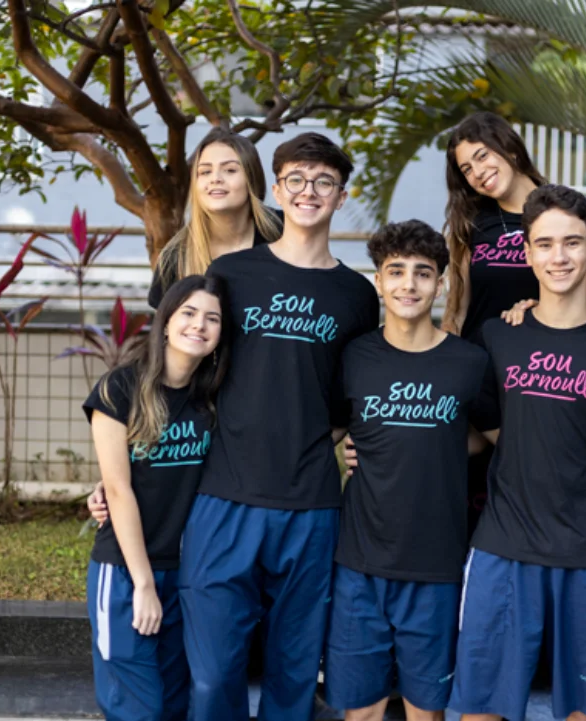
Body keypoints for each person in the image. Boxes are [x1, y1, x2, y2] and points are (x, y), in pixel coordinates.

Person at [177, 132, 379, 721]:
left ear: (341, 196)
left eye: (323, 182)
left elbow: (350, 398)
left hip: (310, 504)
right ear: (278, 190)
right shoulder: (230, 274)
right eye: (296, 179)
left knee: (293, 673)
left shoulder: (357, 295)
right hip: (225, 496)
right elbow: (183, 374)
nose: (308, 191)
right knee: (213, 674)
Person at [450, 184, 586, 721]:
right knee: (480, 707)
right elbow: (485, 428)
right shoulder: (498, 336)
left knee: (584, 709)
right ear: (527, 252)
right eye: (546, 244)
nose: (559, 257)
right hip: (504, 543)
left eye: (572, 243)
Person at [325, 220, 488, 721]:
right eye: (396, 271)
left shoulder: (469, 362)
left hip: (436, 565)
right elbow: (326, 433)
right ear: (378, 281)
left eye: (423, 273)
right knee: (361, 710)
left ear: (440, 284)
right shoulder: (354, 357)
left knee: (426, 711)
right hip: (359, 563)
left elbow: (499, 437)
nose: (408, 284)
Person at [83, 274, 232, 721]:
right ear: (166, 321)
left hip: (187, 574)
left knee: (173, 705)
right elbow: (118, 488)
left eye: (212, 318)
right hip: (125, 571)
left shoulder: (214, 398)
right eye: (189, 313)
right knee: (136, 709)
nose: (199, 325)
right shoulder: (119, 389)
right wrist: (144, 585)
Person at [440, 111, 547, 538]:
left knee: (534, 481)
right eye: (467, 168)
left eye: (483, 156)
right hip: (479, 379)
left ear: (510, 147)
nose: (478, 172)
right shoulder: (472, 223)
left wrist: (542, 305)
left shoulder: (561, 211)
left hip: (536, 376)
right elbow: (456, 309)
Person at [148, 127, 283, 308]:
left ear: (252, 178)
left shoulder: (285, 230)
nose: (215, 179)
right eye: (205, 172)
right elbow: (167, 324)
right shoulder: (175, 257)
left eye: (230, 170)